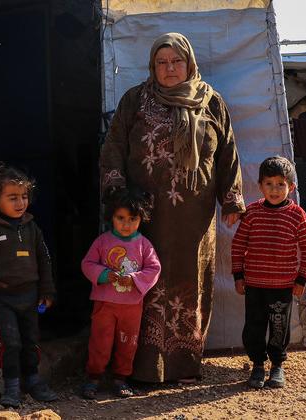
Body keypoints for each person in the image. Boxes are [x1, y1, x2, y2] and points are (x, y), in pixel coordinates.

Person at [99, 32, 245, 382]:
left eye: (176, 61)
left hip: (194, 217)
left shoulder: (211, 102)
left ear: (189, 63)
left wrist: (231, 198)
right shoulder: (135, 99)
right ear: (152, 66)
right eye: (161, 62)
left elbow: (227, 152)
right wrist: (117, 190)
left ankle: (183, 365)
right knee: (143, 279)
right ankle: (142, 368)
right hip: (145, 215)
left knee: (189, 281)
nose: (169, 68)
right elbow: (114, 144)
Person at [0, 163, 57, 407]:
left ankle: (33, 380)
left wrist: (47, 290)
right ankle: (11, 387)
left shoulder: (31, 227)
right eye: (13, 198)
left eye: (24, 196)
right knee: (10, 342)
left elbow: (44, 259)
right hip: (2, 298)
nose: (20, 203)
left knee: (30, 340)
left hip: (29, 295)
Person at [231, 156, 306, 389]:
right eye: (269, 183)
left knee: (279, 327)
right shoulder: (252, 213)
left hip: (282, 285)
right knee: (254, 327)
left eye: (281, 184)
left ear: (291, 187)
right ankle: (258, 365)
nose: (274, 189)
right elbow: (238, 245)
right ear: (260, 186)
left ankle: (277, 366)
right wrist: (238, 276)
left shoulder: (296, 214)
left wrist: (301, 279)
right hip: (254, 285)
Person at [80, 188, 161, 399]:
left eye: (132, 219)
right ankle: (94, 378)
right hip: (104, 303)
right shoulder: (102, 241)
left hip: (132, 306)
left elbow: (154, 268)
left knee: (128, 342)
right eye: (120, 218)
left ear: (141, 218)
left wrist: (133, 278)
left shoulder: (144, 245)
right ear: (112, 217)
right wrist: (105, 275)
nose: (126, 224)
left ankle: (120, 378)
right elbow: (87, 264)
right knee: (100, 341)